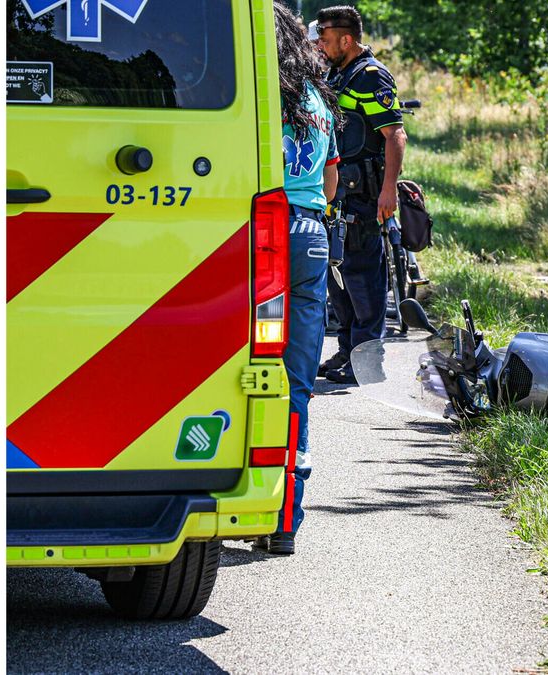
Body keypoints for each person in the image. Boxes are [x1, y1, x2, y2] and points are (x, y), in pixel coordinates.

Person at [256, 0, 341, 556]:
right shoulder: (318, 101)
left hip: (264, 233)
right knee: (297, 377)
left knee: (252, 360)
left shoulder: (263, 97)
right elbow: (331, 178)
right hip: (311, 232)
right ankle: (287, 519)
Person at [313, 5, 408, 385]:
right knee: (338, 275)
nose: (320, 43)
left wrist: (389, 192)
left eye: (325, 37)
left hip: (364, 194)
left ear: (346, 39)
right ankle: (347, 349)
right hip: (337, 193)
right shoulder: (337, 74)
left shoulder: (371, 76)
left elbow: (395, 135)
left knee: (363, 276)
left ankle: (368, 360)